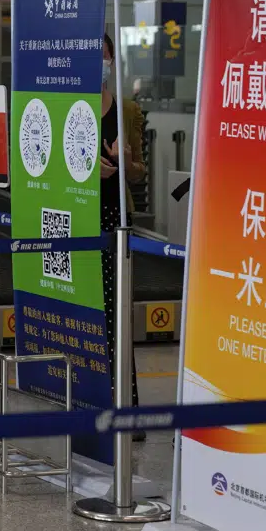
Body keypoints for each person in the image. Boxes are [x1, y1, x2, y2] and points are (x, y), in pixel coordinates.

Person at [99, 32, 147, 441]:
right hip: (79, 217)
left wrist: (125, 163)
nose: (99, 62)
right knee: (90, 312)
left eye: (104, 55)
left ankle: (128, 408)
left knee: (118, 312)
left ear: (113, 59)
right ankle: (93, 404)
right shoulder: (70, 108)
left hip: (116, 216)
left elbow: (139, 172)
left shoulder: (128, 110)